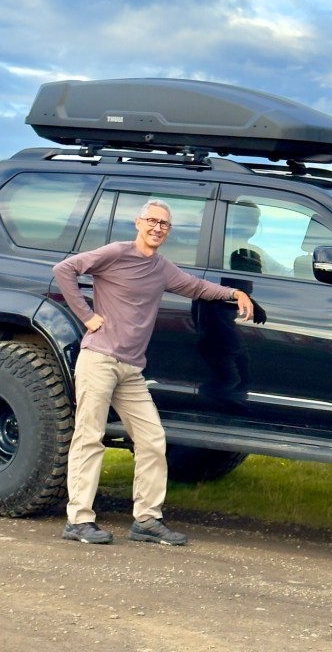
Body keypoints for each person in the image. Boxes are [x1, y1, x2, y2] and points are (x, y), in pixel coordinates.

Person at [53, 199, 255, 546]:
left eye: (164, 224)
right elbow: (64, 270)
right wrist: (87, 316)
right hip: (99, 360)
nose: (157, 228)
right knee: (89, 437)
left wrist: (235, 293)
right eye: (152, 221)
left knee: (152, 439)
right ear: (138, 223)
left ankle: (146, 519)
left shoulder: (161, 268)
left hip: (131, 370)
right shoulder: (116, 253)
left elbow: (197, 287)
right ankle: (79, 520)